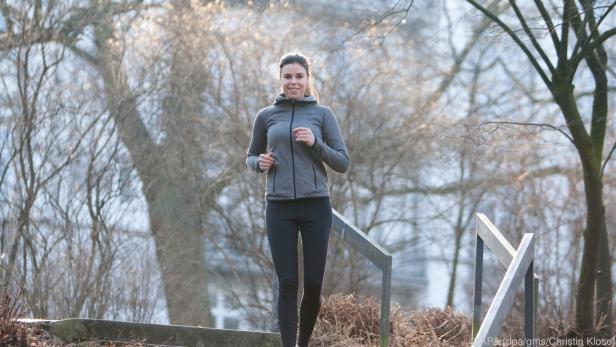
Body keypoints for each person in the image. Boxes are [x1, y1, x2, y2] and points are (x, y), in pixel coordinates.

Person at [245, 52, 350, 347]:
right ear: (280, 80)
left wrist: (316, 144)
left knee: (314, 284)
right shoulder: (266, 116)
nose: (293, 82)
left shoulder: (322, 115)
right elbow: (251, 156)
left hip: (315, 205)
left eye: (299, 76)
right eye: (288, 76)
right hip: (278, 207)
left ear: (308, 80)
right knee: (288, 282)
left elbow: (342, 162)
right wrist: (259, 163)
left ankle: (303, 343)